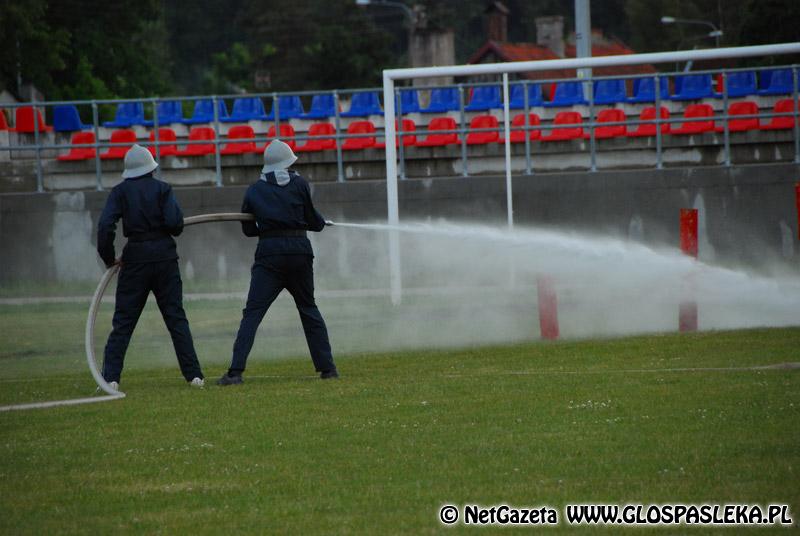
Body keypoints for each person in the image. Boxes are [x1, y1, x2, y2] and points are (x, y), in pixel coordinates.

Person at [217, 139, 337, 385]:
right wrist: (320, 222)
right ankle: (328, 370)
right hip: (300, 252)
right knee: (309, 309)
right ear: (287, 163)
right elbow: (314, 221)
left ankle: (235, 373)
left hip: (269, 255)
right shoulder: (300, 184)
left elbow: (248, 230)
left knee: (252, 313)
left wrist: (265, 224)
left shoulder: (253, 190)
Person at [97, 144, 205, 390]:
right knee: (176, 318)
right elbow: (175, 224)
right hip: (165, 259)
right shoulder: (163, 189)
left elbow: (105, 226)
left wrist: (109, 258)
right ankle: (194, 376)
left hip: (134, 260)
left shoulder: (120, 192)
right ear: (150, 168)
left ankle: (110, 378)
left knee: (123, 322)